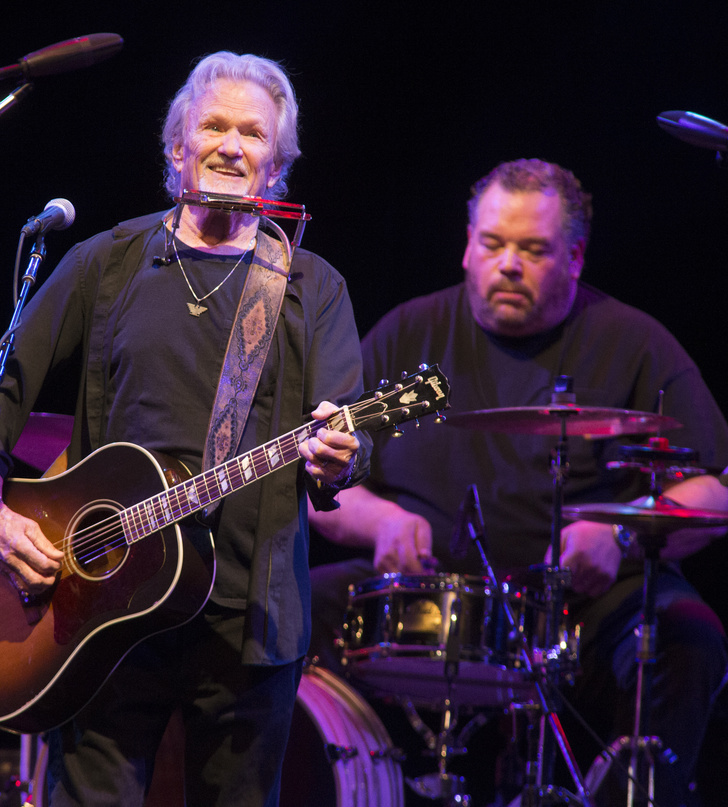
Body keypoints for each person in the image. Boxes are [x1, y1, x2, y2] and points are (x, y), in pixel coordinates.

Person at [0, 51, 370, 806]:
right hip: (99, 606)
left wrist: (340, 451)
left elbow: (345, 440)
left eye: (254, 134)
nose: (232, 144)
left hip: (247, 623)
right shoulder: (108, 261)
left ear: (277, 165)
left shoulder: (310, 286)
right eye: (214, 125)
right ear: (178, 149)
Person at [308, 158, 728, 806]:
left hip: (587, 611)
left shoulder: (634, 341)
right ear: (466, 245)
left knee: (689, 633)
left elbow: (716, 489)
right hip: (430, 602)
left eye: (533, 249)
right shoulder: (407, 333)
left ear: (576, 256)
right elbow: (323, 479)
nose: (508, 263)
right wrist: (380, 521)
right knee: (284, 611)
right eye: (492, 243)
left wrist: (619, 534)